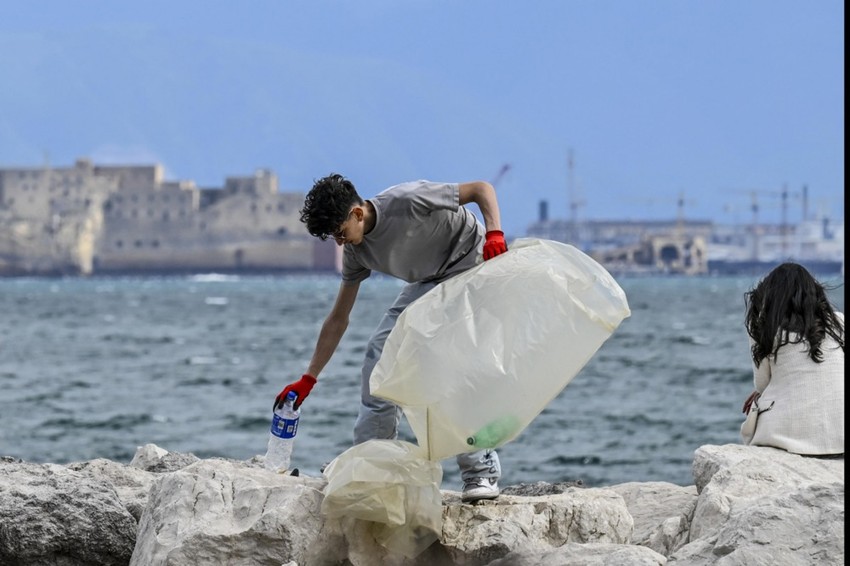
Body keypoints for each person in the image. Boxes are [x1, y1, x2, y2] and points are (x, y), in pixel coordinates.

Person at [275, 174, 509, 502]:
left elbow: (481, 189)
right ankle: (374, 467)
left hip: (473, 262)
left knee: (441, 361)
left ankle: (481, 472)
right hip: (432, 279)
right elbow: (338, 318)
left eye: (341, 234)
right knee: (380, 354)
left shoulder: (407, 200)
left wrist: (495, 233)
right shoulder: (357, 253)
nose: (341, 244)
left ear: (357, 213)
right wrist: (308, 378)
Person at [741, 262, 844, 456]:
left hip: (788, 436)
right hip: (841, 436)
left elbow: (762, 384)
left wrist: (760, 393)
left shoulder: (765, 327)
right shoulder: (839, 322)